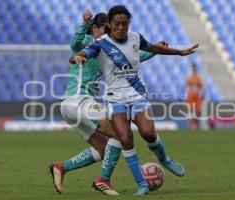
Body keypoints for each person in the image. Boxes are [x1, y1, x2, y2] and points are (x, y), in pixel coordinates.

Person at [70, 5, 199, 196]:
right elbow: (82, 53)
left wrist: (179, 52)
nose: (121, 28)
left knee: (147, 132)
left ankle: (165, 159)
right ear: (109, 25)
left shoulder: (135, 38)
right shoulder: (100, 44)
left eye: (124, 24)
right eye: (117, 24)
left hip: (138, 95)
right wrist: (78, 58)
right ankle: (142, 185)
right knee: (125, 139)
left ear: (128, 23)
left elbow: (152, 47)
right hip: (115, 100)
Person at [49, 10, 158, 195]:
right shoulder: (87, 42)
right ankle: (103, 179)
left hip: (73, 106)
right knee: (119, 133)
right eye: (105, 29)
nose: (109, 33)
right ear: (94, 29)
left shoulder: (106, 49)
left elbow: (131, 59)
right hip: (78, 100)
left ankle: (61, 167)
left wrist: (154, 50)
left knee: (102, 148)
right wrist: (84, 25)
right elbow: (74, 44)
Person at [186, 63, 204, 129]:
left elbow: (202, 86)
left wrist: (201, 93)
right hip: (191, 95)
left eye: (195, 68)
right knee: (190, 110)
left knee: (198, 111)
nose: (194, 69)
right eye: (193, 68)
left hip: (197, 96)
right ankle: (191, 124)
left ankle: (197, 124)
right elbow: (186, 86)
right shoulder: (189, 77)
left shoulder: (199, 77)